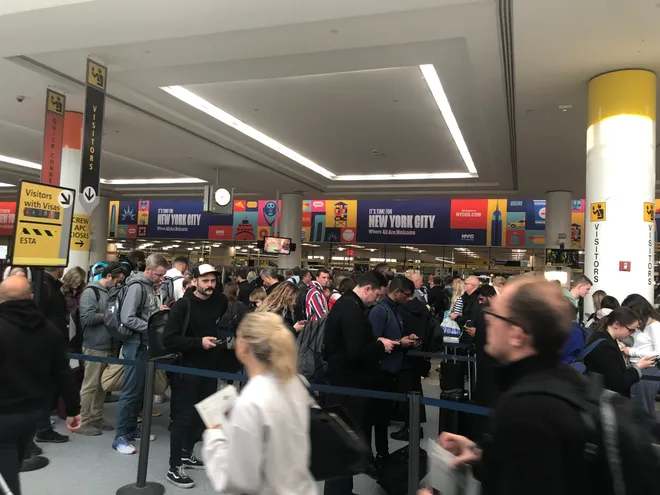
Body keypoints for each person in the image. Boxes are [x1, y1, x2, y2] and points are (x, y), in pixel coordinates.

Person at [421, 275, 600, 495]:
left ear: (516, 334)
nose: (488, 320)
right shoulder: (561, 381)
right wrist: (482, 454)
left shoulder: (527, 410)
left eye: (495, 314)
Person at [202, 312, 317, 494]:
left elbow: (239, 478)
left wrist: (215, 435)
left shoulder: (252, 401)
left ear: (244, 347)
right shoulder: (297, 382)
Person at [0, 276, 81, 495]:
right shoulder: (48, 330)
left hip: (3, 412)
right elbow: (63, 373)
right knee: (10, 465)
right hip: (31, 413)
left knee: (6, 474)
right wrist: (74, 409)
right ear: (31, 297)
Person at [323, 271, 397, 495]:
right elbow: (355, 351)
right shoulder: (352, 310)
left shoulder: (347, 306)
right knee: (344, 444)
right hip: (347, 388)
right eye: (377, 294)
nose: (377, 299)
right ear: (367, 289)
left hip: (344, 384)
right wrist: (380, 346)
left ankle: (342, 490)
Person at [163, 264, 229, 488]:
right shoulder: (183, 306)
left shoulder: (221, 301)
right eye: (205, 281)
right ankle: (174, 467)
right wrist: (198, 343)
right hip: (186, 368)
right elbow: (168, 339)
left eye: (213, 281)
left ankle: (186, 453)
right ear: (194, 282)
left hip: (210, 368)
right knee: (182, 418)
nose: (210, 285)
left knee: (203, 416)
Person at [112, 254, 168, 455]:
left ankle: (131, 429)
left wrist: (156, 313)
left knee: (139, 391)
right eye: (159, 275)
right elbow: (128, 317)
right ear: (148, 270)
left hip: (143, 345)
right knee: (130, 391)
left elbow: (143, 312)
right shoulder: (137, 286)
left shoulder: (148, 286)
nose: (161, 279)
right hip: (136, 345)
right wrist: (150, 328)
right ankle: (120, 436)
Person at [367, 276, 417, 467]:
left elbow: (389, 337)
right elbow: (374, 342)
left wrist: (404, 339)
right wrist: (399, 343)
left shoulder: (393, 310)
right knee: (378, 419)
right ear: (397, 292)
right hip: (381, 372)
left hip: (391, 371)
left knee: (383, 418)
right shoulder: (380, 311)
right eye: (407, 295)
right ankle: (379, 456)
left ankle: (381, 454)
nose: (409, 298)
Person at [75, 263, 127, 436]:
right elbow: (87, 317)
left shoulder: (110, 292)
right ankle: (84, 420)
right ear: (109, 276)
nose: (119, 284)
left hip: (109, 344)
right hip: (95, 345)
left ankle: (96, 416)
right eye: (118, 280)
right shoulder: (91, 292)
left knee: (102, 385)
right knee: (90, 385)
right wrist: (109, 316)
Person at [584, 306, 656, 397]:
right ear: (616, 325)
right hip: (603, 399)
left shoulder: (601, 336)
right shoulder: (606, 346)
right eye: (630, 330)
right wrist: (638, 367)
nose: (631, 334)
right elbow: (618, 383)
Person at [621, 294, 660, 417]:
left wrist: (631, 351)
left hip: (648, 372)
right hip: (638, 370)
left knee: (645, 412)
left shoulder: (654, 326)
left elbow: (658, 352)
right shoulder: (642, 326)